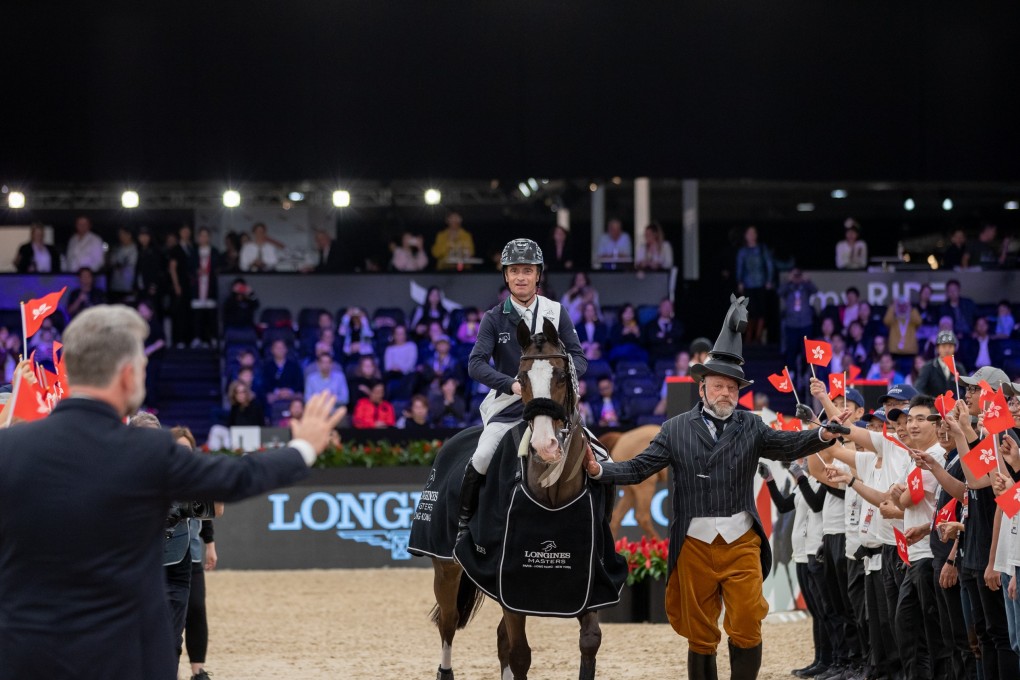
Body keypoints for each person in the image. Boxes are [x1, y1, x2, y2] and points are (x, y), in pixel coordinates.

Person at [0, 304, 344, 680]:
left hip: (24, 656)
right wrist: (304, 448)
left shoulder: (11, 447)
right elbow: (238, 476)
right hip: (121, 658)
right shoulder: (146, 453)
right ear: (127, 374)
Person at [583, 296, 844, 679]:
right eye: (718, 385)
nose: (725, 393)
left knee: (747, 623)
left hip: (741, 542)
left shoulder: (752, 425)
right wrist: (599, 470)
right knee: (700, 632)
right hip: (693, 543)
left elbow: (787, 445)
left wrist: (821, 434)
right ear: (702, 387)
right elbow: (639, 467)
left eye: (732, 387)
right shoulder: (674, 429)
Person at [457, 238, 587, 537]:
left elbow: (579, 357)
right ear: (506, 275)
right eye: (514, 270)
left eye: (527, 270)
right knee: (482, 456)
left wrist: (562, 381)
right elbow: (475, 364)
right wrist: (512, 385)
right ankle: (464, 526)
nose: (520, 277)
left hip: (554, 405)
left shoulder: (556, 311)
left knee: (597, 457)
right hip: (510, 405)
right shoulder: (493, 317)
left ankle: (597, 526)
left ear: (537, 274)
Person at [735, 226, 775, 344]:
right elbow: (739, 266)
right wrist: (740, 281)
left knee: (761, 311)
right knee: (749, 311)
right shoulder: (742, 251)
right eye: (749, 233)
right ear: (745, 236)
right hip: (748, 284)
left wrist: (769, 280)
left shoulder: (762, 248)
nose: (751, 236)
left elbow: (769, 264)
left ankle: (758, 336)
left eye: (753, 233)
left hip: (761, 283)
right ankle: (749, 336)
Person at [778, 268, 818, 376]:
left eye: (798, 275)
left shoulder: (805, 286)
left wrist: (807, 280)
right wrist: (788, 280)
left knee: (806, 350)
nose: (796, 277)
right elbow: (780, 292)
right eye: (794, 275)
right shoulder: (788, 287)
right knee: (791, 349)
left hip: (806, 323)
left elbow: (815, 290)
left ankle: (806, 372)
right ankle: (791, 371)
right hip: (791, 324)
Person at [914, 330, 965, 399]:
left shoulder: (958, 367)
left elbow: (966, 389)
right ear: (937, 349)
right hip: (932, 406)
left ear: (955, 348)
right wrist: (929, 402)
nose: (947, 350)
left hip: (954, 407)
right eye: (943, 346)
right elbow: (918, 388)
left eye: (950, 346)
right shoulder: (928, 367)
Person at [884, 295, 922, 376]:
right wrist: (893, 306)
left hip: (910, 355)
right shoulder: (894, 320)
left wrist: (910, 307)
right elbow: (886, 321)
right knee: (896, 377)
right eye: (900, 306)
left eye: (904, 306)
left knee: (909, 376)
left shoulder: (911, 319)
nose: (902, 308)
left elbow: (919, 321)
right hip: (895, 354)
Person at [642, 298, 685, 363]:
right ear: (659, 308)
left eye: (669, 307)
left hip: (673, 356)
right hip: (656, 357)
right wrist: (669, 339)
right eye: (665, 306)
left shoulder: (678, 324)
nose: (667, 309)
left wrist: (662, 336)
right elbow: (651, 339)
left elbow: (678, 337)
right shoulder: (651, 325)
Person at [107, 227, 138, 303]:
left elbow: (127, 264)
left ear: (129, 235)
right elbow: (111, 262)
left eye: (122, 234)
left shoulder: (135, 249)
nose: (120, 237)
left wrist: (118, 264)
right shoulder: (118, 248)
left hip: (129, 286)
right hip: (115, 286)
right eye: (119, 235)